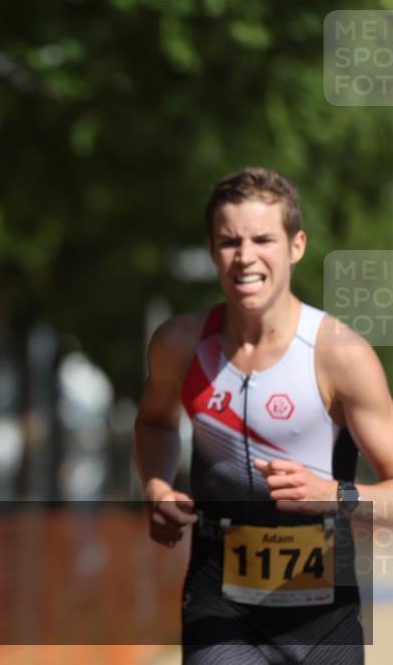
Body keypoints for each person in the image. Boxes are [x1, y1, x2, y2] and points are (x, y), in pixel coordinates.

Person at [133, 168, 393, 664]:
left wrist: (333, 495)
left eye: (262, 239)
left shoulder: (339, 355)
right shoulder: (180, 346)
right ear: (212, 251)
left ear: (296, 246)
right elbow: (155, 422)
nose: (245, 257)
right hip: (219, 600)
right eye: (229, 241)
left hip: (322, 611)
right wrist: (156, 485)